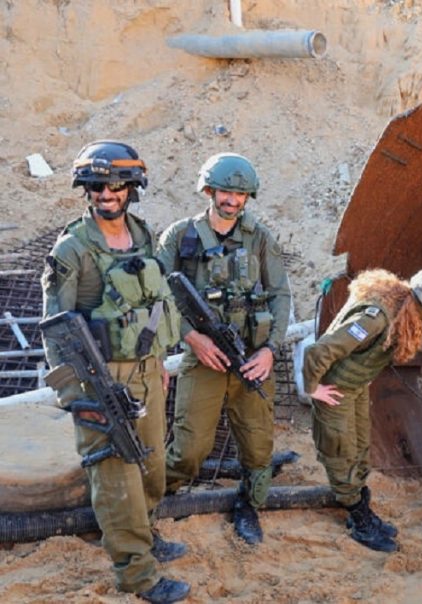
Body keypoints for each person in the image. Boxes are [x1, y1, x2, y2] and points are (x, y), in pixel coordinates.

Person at [40, 140, 190, 603]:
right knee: (115, 476)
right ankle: (137, 574)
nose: (106, 194)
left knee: (151, 466)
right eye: (96, 187)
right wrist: (76, 397)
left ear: (132, 188)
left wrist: (158, 361)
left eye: (116, 186)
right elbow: (55, 329)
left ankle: (145, 534)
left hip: (145, 370)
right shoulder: (72, 249)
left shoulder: (143, 236)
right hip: (100, 378)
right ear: (85, 190)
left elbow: (152, 302)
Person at [157, 152, 292, 545]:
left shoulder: (260, 238)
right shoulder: (180, 236)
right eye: (225, 192)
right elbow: (158, 296)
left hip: (251, 358)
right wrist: (191, 337)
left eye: (240, 194)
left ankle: (249, 505)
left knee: (258, 448)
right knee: (189, 449)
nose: (232, 200)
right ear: (209, 191)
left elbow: (280, 294)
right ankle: (152, 499)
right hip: (204, 359)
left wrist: (269, 350)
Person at [302, 264, 422, 552]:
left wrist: (361, 376)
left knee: (361, 450)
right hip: (335, 391)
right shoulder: (376, 318)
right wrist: (312, 388)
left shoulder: (399, 306)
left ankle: (361, 505)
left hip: (353, 387)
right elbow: (320, 350)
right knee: (341, 453)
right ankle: (358, 518)